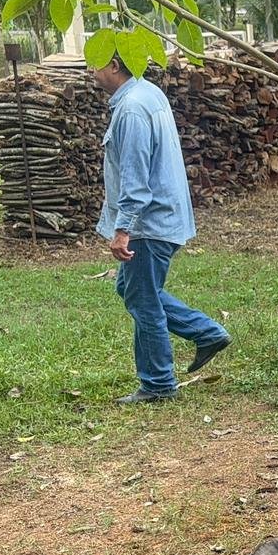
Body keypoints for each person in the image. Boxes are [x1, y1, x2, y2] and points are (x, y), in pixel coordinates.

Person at [93, 56, 231, 404]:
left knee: (142, 299)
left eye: (94, 64)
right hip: (163, 216)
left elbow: (135, 175)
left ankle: (157, 383)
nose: (90, 72)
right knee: (132, 289)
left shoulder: (132, 109)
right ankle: (206, 333)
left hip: (148, 222)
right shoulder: (146, 93)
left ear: (114, 65)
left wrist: (123, 229)